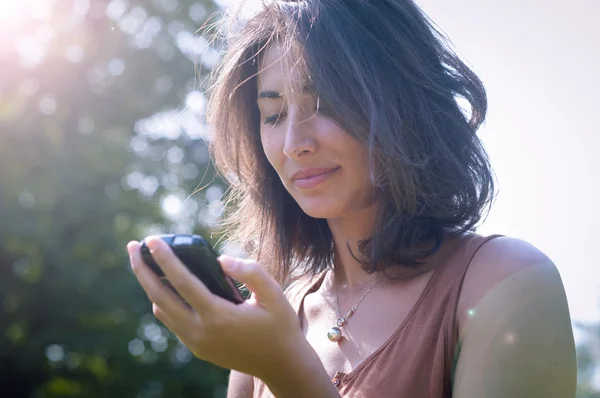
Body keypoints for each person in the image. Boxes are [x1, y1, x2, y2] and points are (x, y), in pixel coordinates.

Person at [127, 0, 577, 396]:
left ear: (401, 102)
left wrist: (285, 368)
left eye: (322, 102)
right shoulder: (274, 319)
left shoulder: (506, 281)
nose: (293, 144)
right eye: (274, 114)